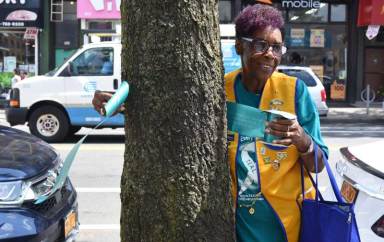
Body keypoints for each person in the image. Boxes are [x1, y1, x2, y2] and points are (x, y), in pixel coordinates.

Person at [91, 4, 328, 242]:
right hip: (233, 227)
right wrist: (123, 106)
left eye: (277, 47)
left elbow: (318, 165)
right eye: (260, 45)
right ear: (239, 45)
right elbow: (177, 116)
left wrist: (303, 140)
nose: (270, 54)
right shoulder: (218, 89)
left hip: (287, 227)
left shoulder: (294, 91)